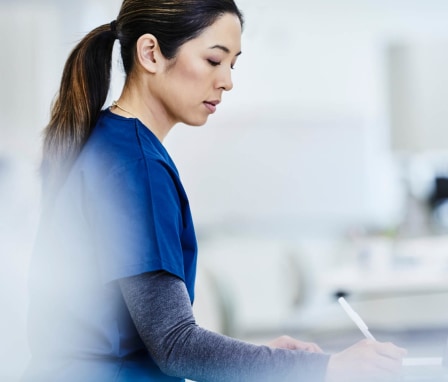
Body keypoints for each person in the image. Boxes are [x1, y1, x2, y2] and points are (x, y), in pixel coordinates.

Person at [22, 0, 407, 381]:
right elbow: (176, 346)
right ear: (151, 53)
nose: (227, 80)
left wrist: (266, 359)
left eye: (232, 64)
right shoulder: (137, 165)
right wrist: (325, 367)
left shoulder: (106, 141)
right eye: (213, 60)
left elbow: (152, 339)